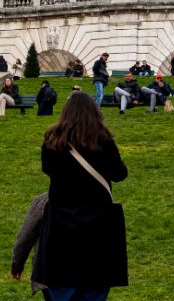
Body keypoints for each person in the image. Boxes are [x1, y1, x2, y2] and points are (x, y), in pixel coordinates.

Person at [32, 92, 129, 299]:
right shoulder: (103, 141)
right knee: (93, 289)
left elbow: (48, 169)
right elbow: (120, 174)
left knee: (62, 288)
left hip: (61, 226)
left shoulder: (52, 142)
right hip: (97, 228)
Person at [11, 192, 49, 294]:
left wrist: (17, 265)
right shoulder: (94, 198)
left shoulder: (45, 200)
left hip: (51, 272)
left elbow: (25, 236)